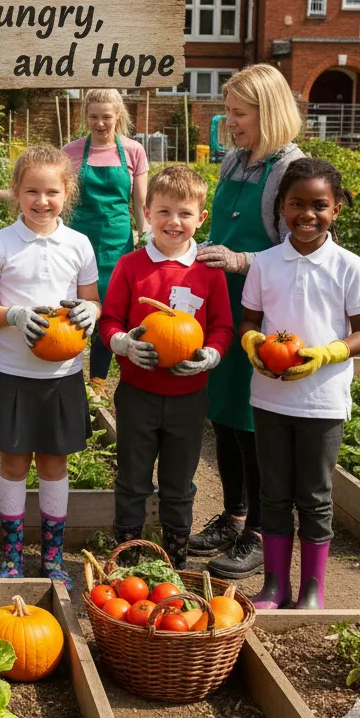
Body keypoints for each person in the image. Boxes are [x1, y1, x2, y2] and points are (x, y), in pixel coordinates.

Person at [240, 158, 360, 610]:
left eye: (319, 205)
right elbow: (250, 319)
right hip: (271, 395)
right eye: (296, 203)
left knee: (315, 496)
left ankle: (312, 589)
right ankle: (274, 585)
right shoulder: (265, 263)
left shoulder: (348, 265)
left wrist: (326, 353)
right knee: (273, 493)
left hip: (322, 400)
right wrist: (254, 343)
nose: (307, 214)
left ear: (336, 208)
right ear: (281, 206)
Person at [192, 64, 305, 580]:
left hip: (263, 306)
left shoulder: (289, 169)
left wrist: (240, 260)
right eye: (229, 111)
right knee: (226, 414)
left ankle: (259, 530)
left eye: (239, 113)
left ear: (268, 110)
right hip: (225, 304)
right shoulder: (236, 161)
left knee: (254, 421)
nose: (230, 122)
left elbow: (300, 249)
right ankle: (233, 516)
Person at [0, 144, 100, 588]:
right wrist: (15, 314)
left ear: (67, 194)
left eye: (51, 192)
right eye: (31, 191)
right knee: (12, 462)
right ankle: (11, 553)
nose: (41, 201)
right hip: (13, 372)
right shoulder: (0, 243)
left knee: (53, 464)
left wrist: (92, 313)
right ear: (16, 193)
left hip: (61, 375)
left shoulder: (79, 244)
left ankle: (52, 554)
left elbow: (91, 298)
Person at [98, 166, 234, 568]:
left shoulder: (207, 272)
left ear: (200, 218)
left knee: (179, 484)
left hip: (188, 398)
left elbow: (223, 327)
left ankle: (174, 564)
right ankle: (126, 561)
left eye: (184, 213)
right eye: (163, 212)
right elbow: (109, 321)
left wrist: (211, 354)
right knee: (132, 480)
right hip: (137, 394)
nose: (174, 222)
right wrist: (122, 344)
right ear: (147, 211)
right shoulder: (131, 266)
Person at [0, 89, 147, 391]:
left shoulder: (133, 150)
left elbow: (140, 199)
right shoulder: (73, 150)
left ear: (118, 116)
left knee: (107, 309)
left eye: (106, 116)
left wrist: (145, 233)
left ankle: (97, 381)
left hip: (116, 244)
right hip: (75, 235)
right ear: (85, 117)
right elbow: (47, 187)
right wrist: (0, 195)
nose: (100, 123)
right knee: (67, 309)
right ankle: (70, 361)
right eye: (93, 116)